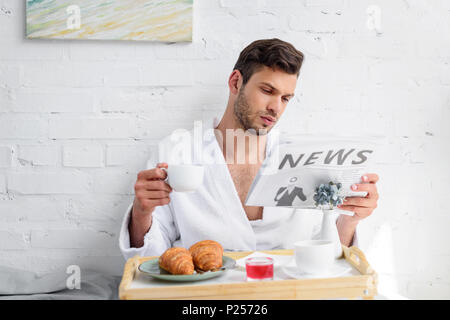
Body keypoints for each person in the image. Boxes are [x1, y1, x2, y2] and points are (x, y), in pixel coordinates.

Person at [119, 38, 380, 260]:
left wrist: (351, 218)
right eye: (267, 90)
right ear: (235, 82)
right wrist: (142, 212)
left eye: (285, 98)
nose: (276, 108)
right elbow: (149, 260)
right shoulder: (177, 153)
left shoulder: (303, 159)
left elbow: (327, 253)